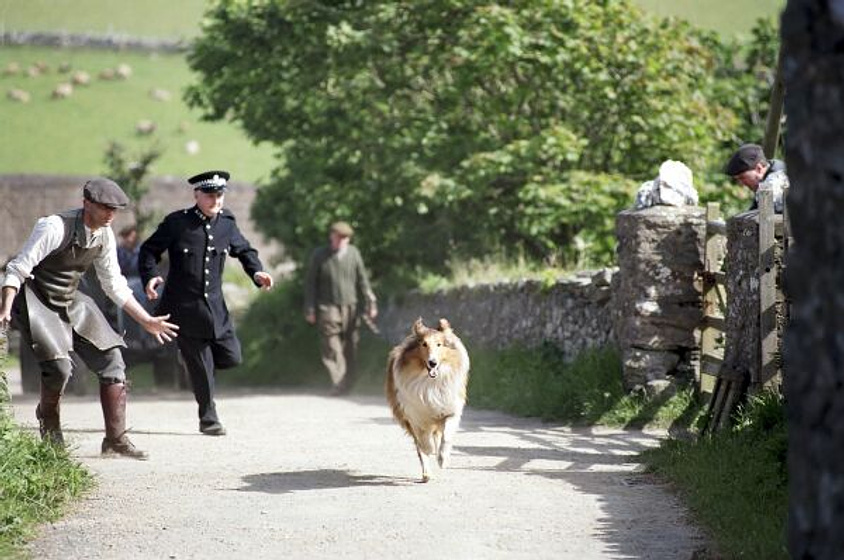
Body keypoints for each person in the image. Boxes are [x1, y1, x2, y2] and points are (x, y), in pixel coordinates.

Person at [0, 178, 179, 459]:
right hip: (36, 301)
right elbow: (18, 268)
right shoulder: (53, 227)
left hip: (71, 298)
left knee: (112, 360)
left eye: (115, 209)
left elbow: (114, 285)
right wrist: (6, 308)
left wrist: (147, 320)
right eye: (105, 208)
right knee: (59, 369)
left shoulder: (105, 235)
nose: (111, 215)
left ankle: (115, 439)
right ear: (87, 204)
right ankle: (49, 420)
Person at [138, 170, 274, 436]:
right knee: (202, 366)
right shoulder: (178, 223)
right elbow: (148, 250)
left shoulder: (227, 224)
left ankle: (191, 362)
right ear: (196, 195)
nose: (216, 201)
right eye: (210, 196)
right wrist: (151, 276)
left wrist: (257, 272)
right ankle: (209, 419)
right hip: (184, 308)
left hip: (216, 308)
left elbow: (244, 250)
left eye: (219, 195)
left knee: (232, 357)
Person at [304, 221, 377, 396]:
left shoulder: (354, 254)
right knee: (331, 344)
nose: (341, 241)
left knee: (350, 344)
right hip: (327, 306)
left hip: (350, 306)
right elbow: (310, 283)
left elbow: (363, 280)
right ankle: (339, 382)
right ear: (332, 236)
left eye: (345, 238)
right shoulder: (320, 255)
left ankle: (349, 382)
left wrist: (370, 302)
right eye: (338, 237)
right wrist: (310, 308)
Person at [724, 143, 789, 213]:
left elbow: (764, 217)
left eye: (742, 177)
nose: (741, 183)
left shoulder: (775, 182)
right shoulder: (771, 173)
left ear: (759, 169)